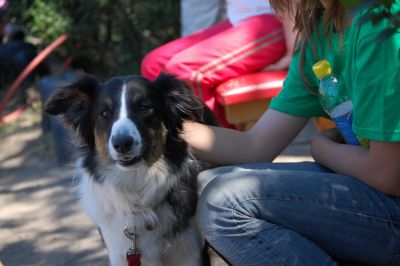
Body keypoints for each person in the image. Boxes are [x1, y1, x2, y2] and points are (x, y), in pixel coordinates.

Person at [181, 0, 400, 265]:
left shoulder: (381, 24)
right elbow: (255, 146)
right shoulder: (319, 34)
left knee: (224, 204)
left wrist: (321, 148)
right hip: (365, 187)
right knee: (205, 185)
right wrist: (156, 128)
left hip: (390, 204)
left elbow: (387, 175)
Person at [141, 0, 296, 126]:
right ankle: (172, 145)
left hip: (278, 19)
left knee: (187, 71)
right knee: (154, 64)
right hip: (239, 19)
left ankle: (220, 151)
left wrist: (293, 49)